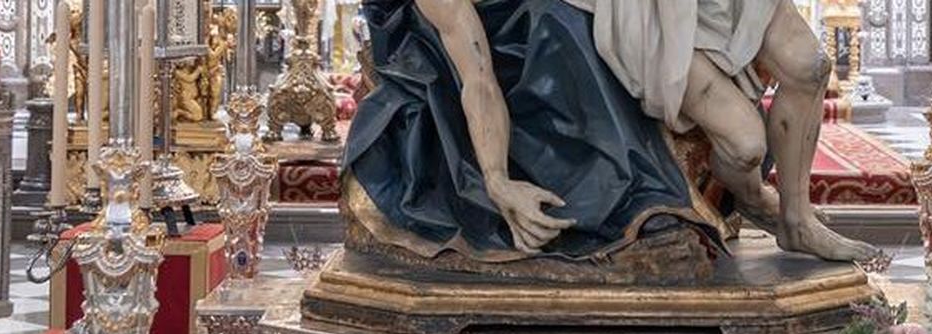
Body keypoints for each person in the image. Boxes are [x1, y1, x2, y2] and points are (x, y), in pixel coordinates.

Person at [342, 0, 725, 265]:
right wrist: (496, 179)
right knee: (556, 25)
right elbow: (478, 79)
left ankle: (635, 192)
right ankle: (619, 206)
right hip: (445, 52)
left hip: (521, 23)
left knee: (568, 20)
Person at [562, 0, 882, 262]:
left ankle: (798, 220)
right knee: (746, 148)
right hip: (655, 12)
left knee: (810, 65)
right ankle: (753, 198)